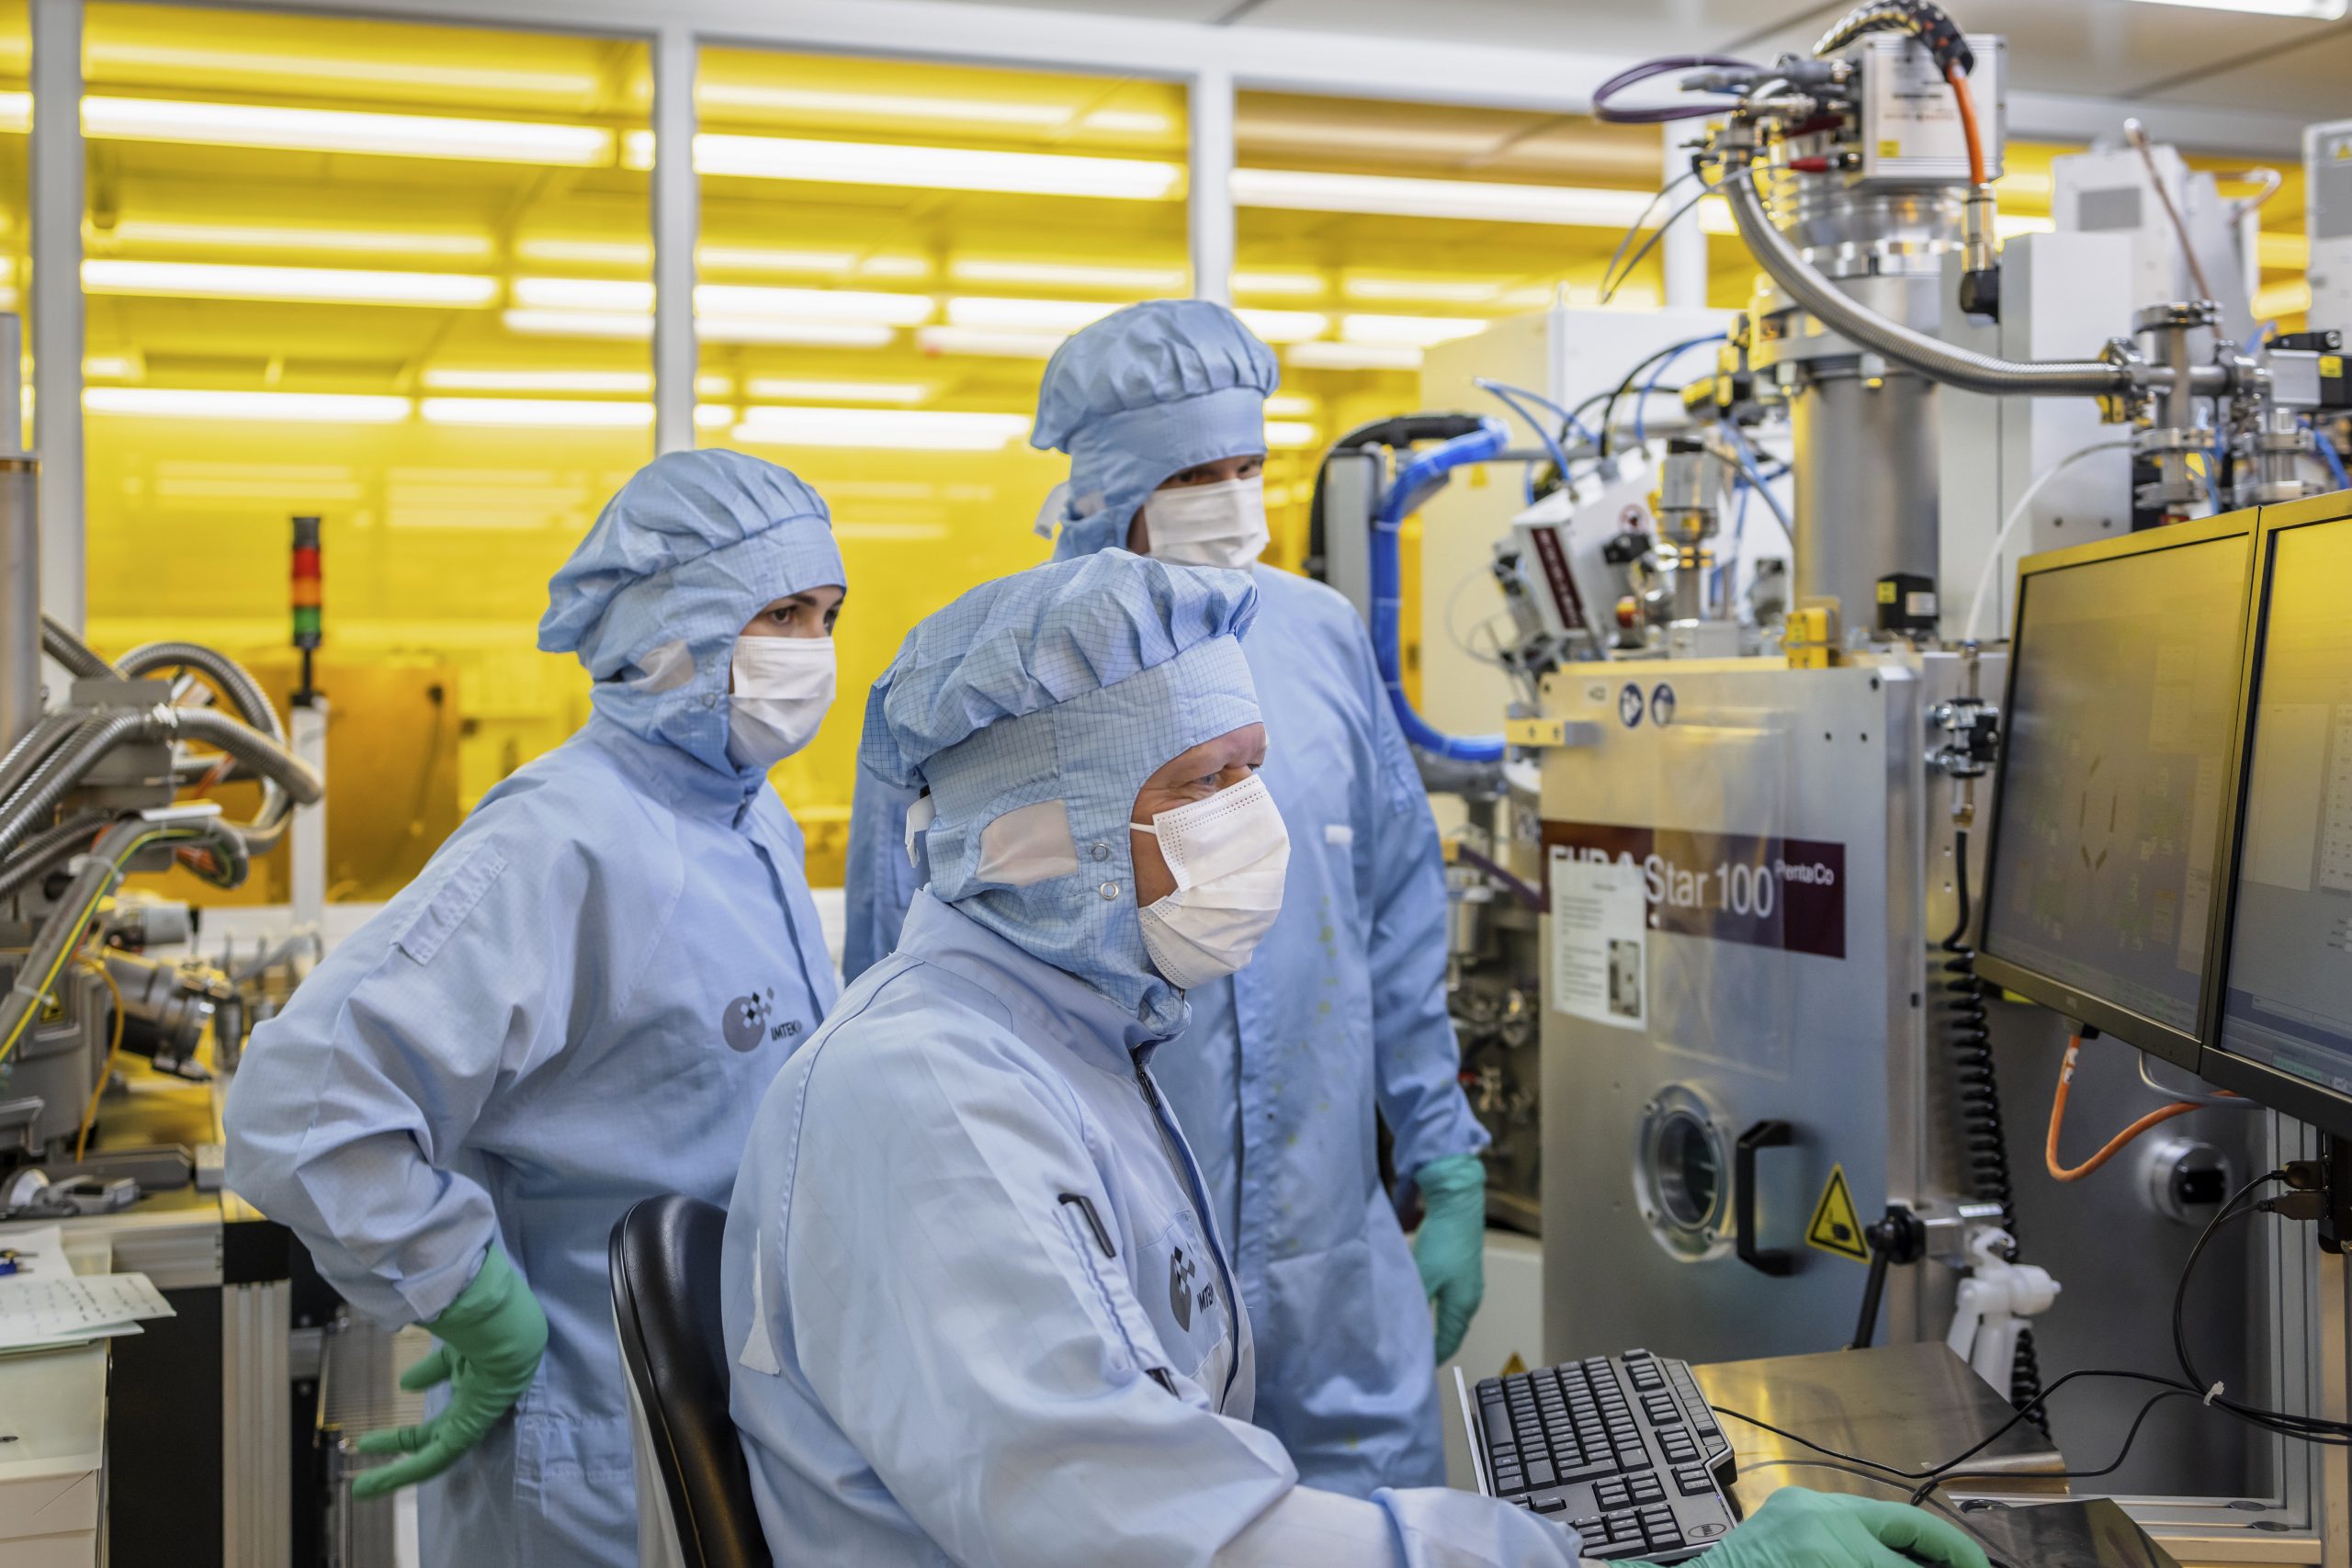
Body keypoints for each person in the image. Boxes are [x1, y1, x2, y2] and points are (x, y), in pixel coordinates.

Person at [726, 547, 1989, 1568]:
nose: (1253, 825)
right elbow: (1143, 1529)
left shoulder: (1067, 1041)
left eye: (1254, 773)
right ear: (1038, 838)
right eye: (1203, 780)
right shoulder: (929, 1095)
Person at [842, 299, 1487, 1495]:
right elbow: (902, 958)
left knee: (1377, 1519)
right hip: (1110, 1252)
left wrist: (1443, 1153)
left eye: (1252, 463)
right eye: (1197, 470)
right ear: (1101, 479)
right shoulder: (995, 675)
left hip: (1330, 1254)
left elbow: (1394, 903)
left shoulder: (1322, 636)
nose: (1234, 498)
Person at [224, 449, 845, 1567]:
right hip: (590, 1443)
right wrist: (473, 1299)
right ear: (666, 630)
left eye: (826, 615)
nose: (810, 652)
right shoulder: (560, 841)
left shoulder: (755, 824)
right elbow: (299, 1108)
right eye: (778, 614)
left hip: (729, 1416)